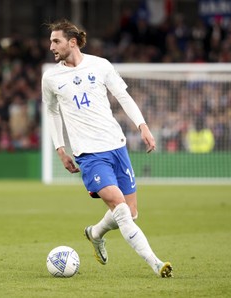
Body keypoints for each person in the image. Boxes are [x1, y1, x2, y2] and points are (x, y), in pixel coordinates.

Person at [41, 19, 173, 278]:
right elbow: (51, 111)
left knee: (131, 213)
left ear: (72, 42)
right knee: (121, 209)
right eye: (50, 42)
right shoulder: (51, 77)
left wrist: (142, 126)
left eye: (55, 41)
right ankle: (156, 263)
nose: (51, 47)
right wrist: (60, 148)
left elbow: (124, 97)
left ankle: (95, 233)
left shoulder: (101, 66)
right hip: (89, 155)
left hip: (117, 147)